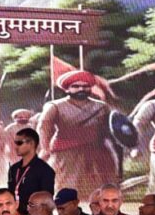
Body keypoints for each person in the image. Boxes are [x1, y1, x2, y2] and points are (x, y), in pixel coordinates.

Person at [38, 69, 118, 200]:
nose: (81, 89)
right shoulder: (55, 106)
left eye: (85, 86)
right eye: (76, 86)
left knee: (99, 187)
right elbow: (44, 127)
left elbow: (110, 128)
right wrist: (45, 148)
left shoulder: (102, 107)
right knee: (66, 187)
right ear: (67, 89)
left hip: (95, 150)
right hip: (66, 152)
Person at [7, 127, 55, 215]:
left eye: (19, 143)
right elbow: (10, 194)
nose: (15, 147)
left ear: (31, 144)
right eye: (15, 143)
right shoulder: (13, 168)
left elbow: (46, 201)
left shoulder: (45, 170)